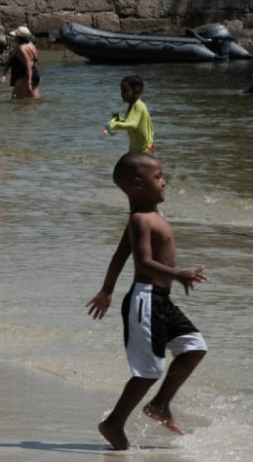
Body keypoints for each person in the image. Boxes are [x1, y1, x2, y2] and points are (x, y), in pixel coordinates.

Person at [85, 153, 208, 451]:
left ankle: (160, 405)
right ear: (138, 185)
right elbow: (142, 262)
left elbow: (119, 254)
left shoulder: (150, 214)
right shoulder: (140, 220)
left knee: (194, 347)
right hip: (145, 300)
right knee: (148, 371)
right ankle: (113, 424)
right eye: (158, 177)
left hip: (161, 300)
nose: (164, 182)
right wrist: (178, 274)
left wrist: (107, 289)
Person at [106, 75, 154, 154]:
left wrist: (114, 125)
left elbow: (133, 124)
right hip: (135, 150)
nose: (122, 94)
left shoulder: (139, 105)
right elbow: (129, 122)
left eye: (125, 91)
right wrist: (117, 120)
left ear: (136, 91)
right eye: (121, 91)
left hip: (144, 150)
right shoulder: (132, 106)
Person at [0, 26, 41, 99]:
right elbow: (34, 61)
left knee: (17, 101)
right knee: (34, 101)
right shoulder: (31, 45)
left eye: (15, 36)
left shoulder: (21, 49)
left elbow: (28, 65)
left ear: (18, 37)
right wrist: (4, 74)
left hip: (24, 77)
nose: (14, 38)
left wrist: (28, 83)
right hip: (35, 75)